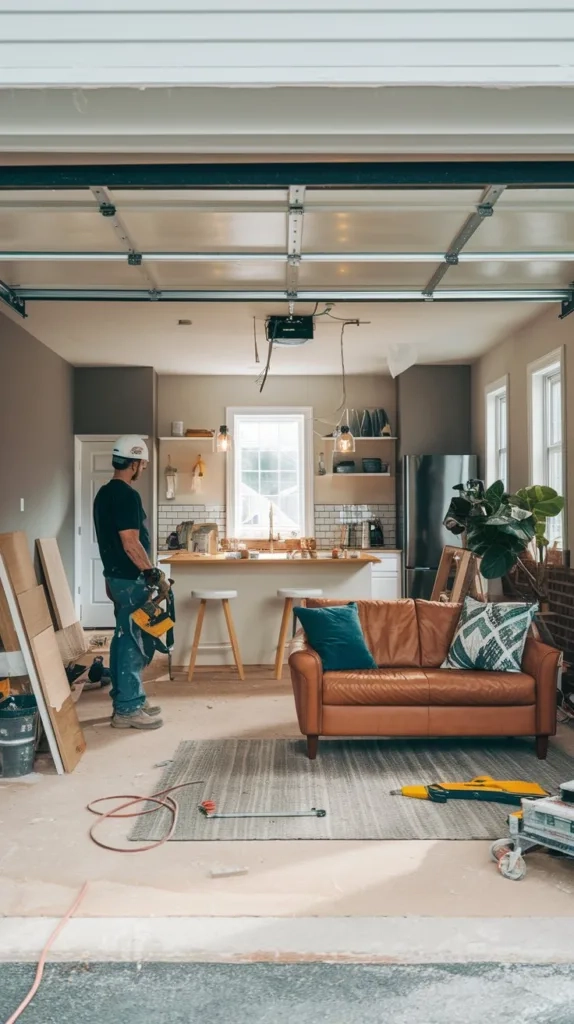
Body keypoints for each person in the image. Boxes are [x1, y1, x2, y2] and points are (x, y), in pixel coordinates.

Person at [93, 435, 164, 730]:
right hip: (131, 578)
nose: (143, 468)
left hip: (116, 577)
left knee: (124, 637)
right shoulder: (126, 495)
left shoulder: (104, 493)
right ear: (134, 463)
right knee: (135, 641)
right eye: (143, 464)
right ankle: (127, 709)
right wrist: (151, 572)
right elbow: (130, 541)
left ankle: (129, 695)